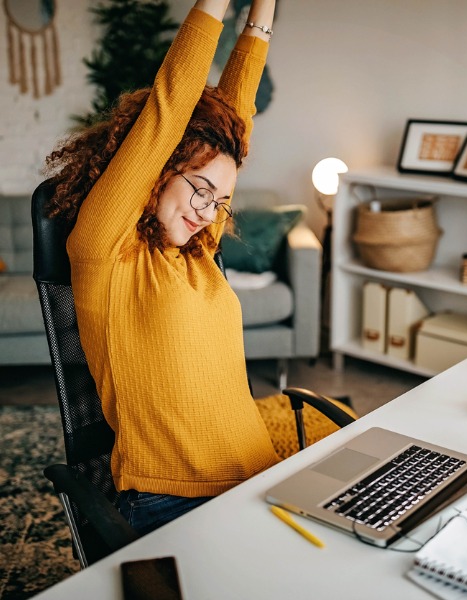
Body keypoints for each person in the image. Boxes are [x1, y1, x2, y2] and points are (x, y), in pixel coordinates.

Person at [44, 0, 279, 536]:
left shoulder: (196, 247)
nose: (206, 209)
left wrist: (262, 14)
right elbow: (168, 113)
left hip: (264, 480)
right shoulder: (107, 251)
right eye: (199, 188)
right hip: (173, 501)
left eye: (220, 200)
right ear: (158, 173)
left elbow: (236, 118)